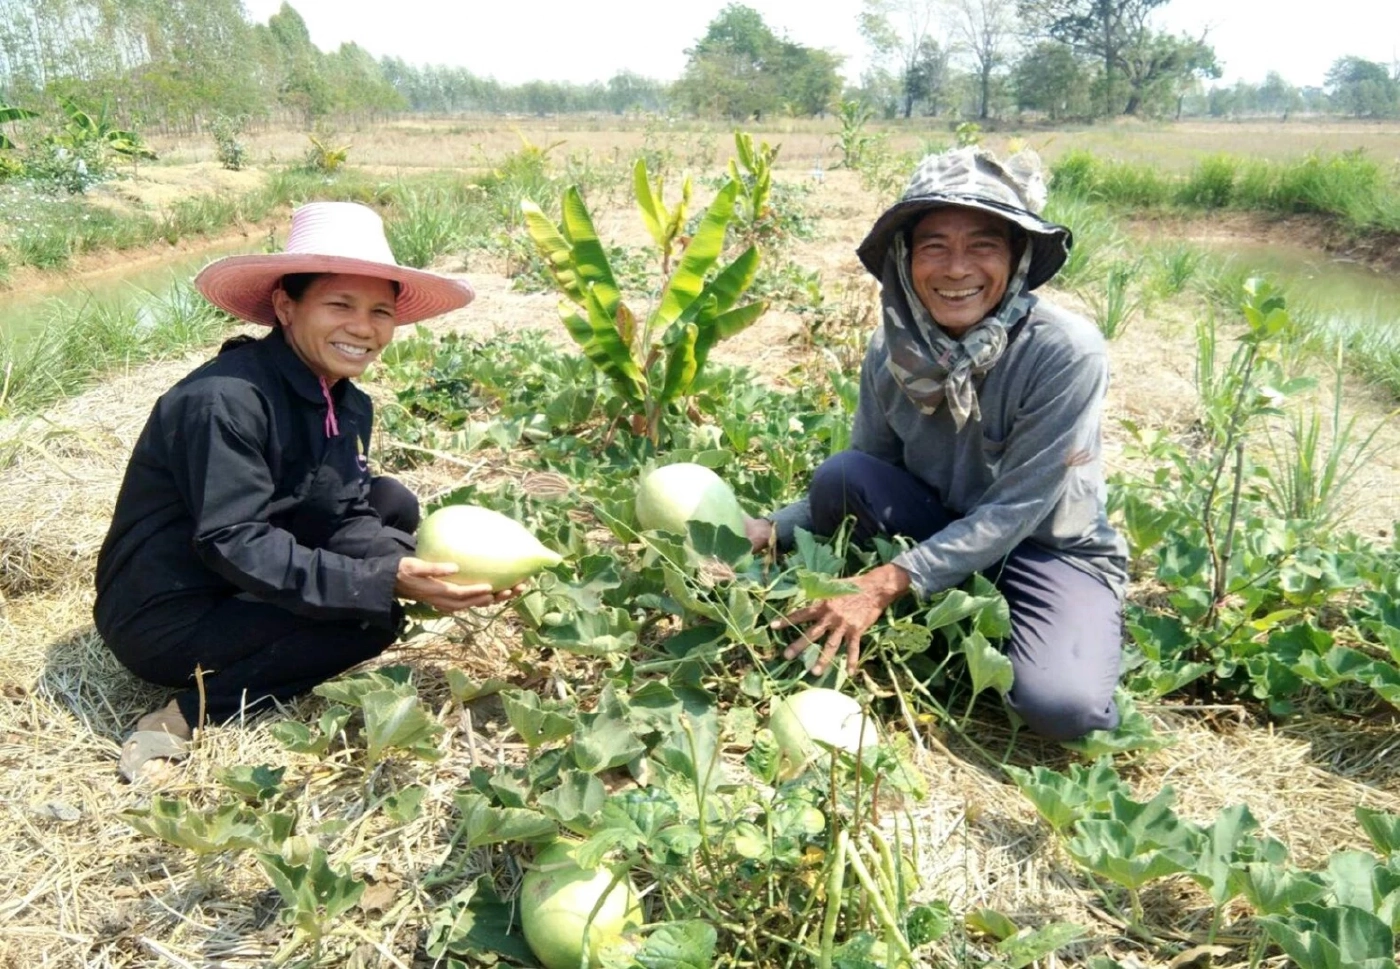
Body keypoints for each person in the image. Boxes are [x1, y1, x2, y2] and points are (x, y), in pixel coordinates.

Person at [95, 201, 518, 781]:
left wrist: (425, 571)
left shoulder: (345, 401)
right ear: (285, 306)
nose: (363, 328)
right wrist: (377, 582)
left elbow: (343, 514)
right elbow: (233, 540)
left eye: (380, 311)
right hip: (168, 615)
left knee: (391, 505)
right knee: (368, 617)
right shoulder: (224, 401)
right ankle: (185, 713)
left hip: (230, 582)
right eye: (340, 304)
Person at [746, 147, 1128, 742]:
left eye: (982, 245)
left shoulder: (1063, 351)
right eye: (934, 246)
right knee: (840, 476)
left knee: (1064, 711)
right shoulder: (892, 351)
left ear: (1017, 258)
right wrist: (775, 527)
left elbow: (1014, 510)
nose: (956, 269)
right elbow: (870, 467)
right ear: (905, 259)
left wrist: (884, 582)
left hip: (1045, 550)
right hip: (939, 522)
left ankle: (1060, 632)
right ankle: (962, 612)